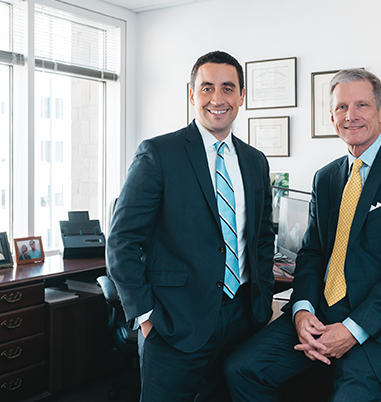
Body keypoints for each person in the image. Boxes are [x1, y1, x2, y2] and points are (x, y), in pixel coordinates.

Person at [225, 69, 381, 402]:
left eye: (362, 105)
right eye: (342, 107)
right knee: (241, 369)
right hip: (320, 316)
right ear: (331, 117)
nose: (351, 115)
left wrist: (352, 330)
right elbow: (312, 253)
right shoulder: (326, 178)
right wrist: (302, 311)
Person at [106, 50, 275, 402]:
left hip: (241, 319)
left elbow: (261, 238)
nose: (217, 98)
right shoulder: (158, 154)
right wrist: (146, 316)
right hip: (173, 323)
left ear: (241, 96)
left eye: (228, 88)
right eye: (207, 87)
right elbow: (122, 241)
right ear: (192, 94)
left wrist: (261, 299)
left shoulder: (255, 162)